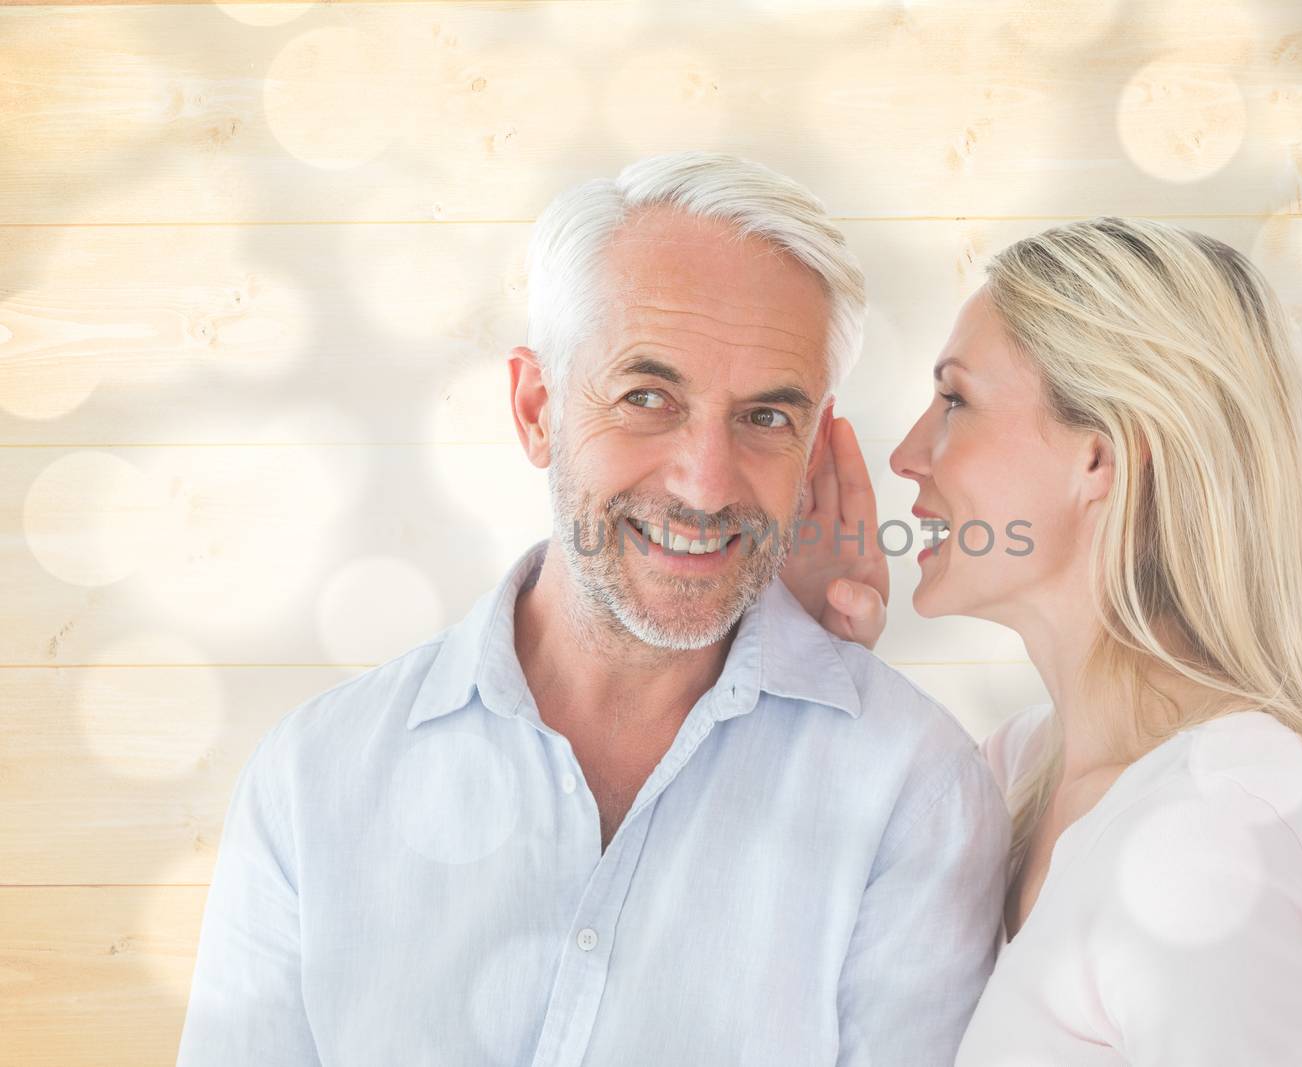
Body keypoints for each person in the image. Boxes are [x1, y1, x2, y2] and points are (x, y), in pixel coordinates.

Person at [175, 152, 1010, 1067]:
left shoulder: (914, 794)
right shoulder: (315, 781)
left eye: (765, 417)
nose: (705, 483)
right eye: (647, 398)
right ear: (536, 409)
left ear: (814, 449)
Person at [783, 217, 1302, 1064]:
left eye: (957, 400)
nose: (904, 455)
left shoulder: (1219, 831)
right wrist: (821, 678)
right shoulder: (1012, 774)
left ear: (1101, 459)